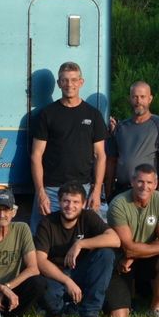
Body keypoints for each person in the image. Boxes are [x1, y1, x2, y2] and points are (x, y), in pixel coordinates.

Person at [29, 61, 108, 233]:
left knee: (82, 239)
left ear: (81, 82)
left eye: (73, 80)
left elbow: (100, 156)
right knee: (42, 239)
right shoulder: (47, 114)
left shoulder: (93, 115)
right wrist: (40, 192)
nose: (69, 85)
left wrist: (95, 191)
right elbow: (36, 155)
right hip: (51, 190)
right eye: (64, 80)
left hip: (83, 190)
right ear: (58, 84)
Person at [34, 182, 120, 317]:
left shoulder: (89, 217)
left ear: (83, 203)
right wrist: (67, 281)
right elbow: (40, 260)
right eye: (66, 201)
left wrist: (80, 244)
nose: (70, 206)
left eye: (75, 202)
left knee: (106, 254)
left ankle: (90, 315)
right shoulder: (47, 222)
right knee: (48, 294)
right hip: (56, 276)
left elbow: (115, 240)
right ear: (59, 202)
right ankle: (58, 312)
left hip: (81, 272)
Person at [104, 164, 159, 317]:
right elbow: (128, 248)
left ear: (155, 184)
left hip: (143, 257)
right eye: (140, 181)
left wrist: (135, 254)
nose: (144, 186)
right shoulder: (118, 204)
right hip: (121, 261)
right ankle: (119, 303)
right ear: (132, 181)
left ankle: (156, 309)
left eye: (149, 182)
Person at [105, 81, 159, 197]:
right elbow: (112, 162)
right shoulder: (121, 127)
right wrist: (108, 193)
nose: (138, 101)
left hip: (147, 192)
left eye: (142, 97)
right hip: (122, 191)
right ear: (130, 99)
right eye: (135, 97)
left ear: (150, 99)